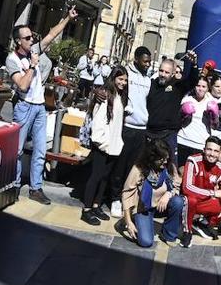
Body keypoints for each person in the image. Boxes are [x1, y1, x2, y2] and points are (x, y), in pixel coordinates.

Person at [5, 7, 77, 203]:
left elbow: (52, 34)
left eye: (32, 37)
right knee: (17, 150)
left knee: (40, 150)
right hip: (24, 107)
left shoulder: (35, 50)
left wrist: (67, 19)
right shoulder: (12, 60)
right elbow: (22, 84)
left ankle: (36, 188)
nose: (31, 40)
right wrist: (32, 66)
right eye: (27, 38)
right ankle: (14, 184)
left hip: (39, 107)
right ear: (18, 41)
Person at [118, 140, 187, 248]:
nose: (164, 162)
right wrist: (128, 221)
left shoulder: (169, 167)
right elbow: (126, 194)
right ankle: (132, 219)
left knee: (178, 202)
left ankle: (169, 235)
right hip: (143, 208)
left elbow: (176, 185)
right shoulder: (138, 169)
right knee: (146, 242)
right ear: (152, 158)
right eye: (161, 159)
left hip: (161, 205)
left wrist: (168, 193)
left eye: (166, 158)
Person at [112, 46, 154, 217]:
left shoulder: (149, 79)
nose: (147, 65)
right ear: (136, 59)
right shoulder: (126, 74)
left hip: (142, 130)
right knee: (119, 165)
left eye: (149, 62)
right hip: (126, 127)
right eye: (145, 62)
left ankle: (126, 200)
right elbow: (111, 85)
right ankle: (114, 198)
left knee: (133, 168)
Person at [81, 80, 125, 225]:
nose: (123, 82)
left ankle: (96, 205)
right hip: (102, 143)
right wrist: (101, 141)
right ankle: (86, 209)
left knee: (105, 177)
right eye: (120, 79)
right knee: (96, 176)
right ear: (114, 79)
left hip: (113, 143)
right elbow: (98, 120)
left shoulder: (121, 95)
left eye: (125, 80)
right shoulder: (105, 95)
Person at [145, 51, 199, 169]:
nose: (163, 74)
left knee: (169, 169)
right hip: (149, 133)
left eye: (167, 72)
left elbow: (193, 80)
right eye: (161, 71)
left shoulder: (178, 86)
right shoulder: (151, 84)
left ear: (173, 73)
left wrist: (194, 65)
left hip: (167, 135)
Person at [181, 136, 221, 239]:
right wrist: (212, 193)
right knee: (191, 200)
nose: (212, 154)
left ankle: (205, 222)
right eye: (209, 149)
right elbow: (187, 187)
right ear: (204, 150)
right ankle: (188, 229)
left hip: (206, 202)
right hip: (189, 201)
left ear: (219, 153)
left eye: (216, 151)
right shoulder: (193, 160)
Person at [176, 77, 215, 166]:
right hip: (183, 139)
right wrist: (184, 112)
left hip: (200, 143)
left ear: (207, 88)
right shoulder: (187, 99)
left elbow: (215, 125)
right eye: (198, 86)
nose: (200, 89)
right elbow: (178, 119)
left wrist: (214, 115)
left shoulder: (211, 102)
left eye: (203, 86)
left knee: (194, 173)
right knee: (180, 171)